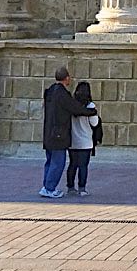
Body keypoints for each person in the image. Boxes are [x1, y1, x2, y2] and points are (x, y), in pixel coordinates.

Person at [40, 66, 96, 199]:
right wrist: (91, 112)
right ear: (67, 78)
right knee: (58, 162)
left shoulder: (50, 91)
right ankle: (50, 188)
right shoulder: (62, 94)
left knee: (49, 161)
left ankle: (46, 186)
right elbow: (75, 109)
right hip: (58, 134)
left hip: (48, 133)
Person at [65, 81, 100, 196]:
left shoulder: (71, 105)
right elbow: (94, 123)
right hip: (85, 141)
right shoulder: (90, 106)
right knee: (83, 166)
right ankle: (82, 188)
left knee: (72, 164)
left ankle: (70, 187)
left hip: (73, 140)